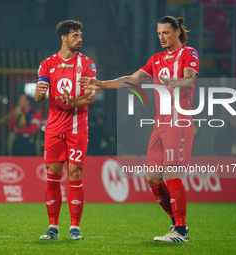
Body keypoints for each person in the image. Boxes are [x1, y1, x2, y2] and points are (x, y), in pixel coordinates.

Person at [79, 16, 199, 242]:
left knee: (172, 173)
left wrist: (172, 82)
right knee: (153, 178)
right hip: (159, 123)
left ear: (177, 32)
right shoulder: (156, 59)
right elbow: (131, 79)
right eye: (159, 33)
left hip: (178, 121)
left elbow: (189, 80)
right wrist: (101, 83)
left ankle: (180, 231)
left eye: (165, 32)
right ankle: (177, 223)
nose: (162, 37)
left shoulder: (189, 54)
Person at [35, 20, 96, 240]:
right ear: (63, 38)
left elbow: (90, 97)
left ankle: (75, 228)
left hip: (77, 128)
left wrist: (73, 102)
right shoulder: (47, 64)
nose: (80, 39)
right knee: (52, 176)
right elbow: (39, 97)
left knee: (76, 174)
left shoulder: (87, 64)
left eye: (80, 35)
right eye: (75, 35)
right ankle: (53, 228)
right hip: (53, 128)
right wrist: (39, 91)